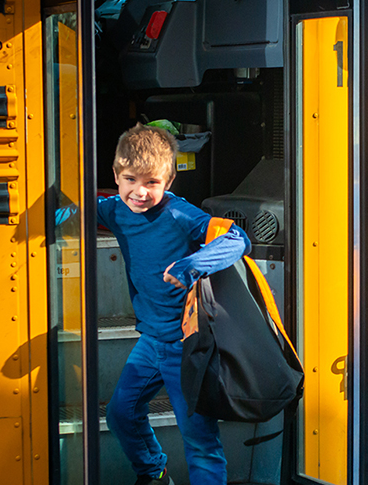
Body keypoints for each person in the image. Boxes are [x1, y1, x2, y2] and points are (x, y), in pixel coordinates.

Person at [101, 124, 251, 485]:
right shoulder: (114, 211)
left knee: (199, 441)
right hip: (152, 341)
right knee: (121, 414)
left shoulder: (179, 214)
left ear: (168, 181)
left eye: (152, 182)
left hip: (189, 346)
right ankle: (154, 473)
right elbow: (71, 212)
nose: (140, 192)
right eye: (130, 179)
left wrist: (191, 264)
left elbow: (237, 238)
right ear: (117, 178)